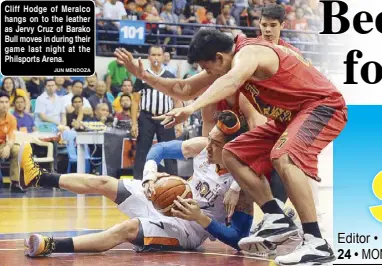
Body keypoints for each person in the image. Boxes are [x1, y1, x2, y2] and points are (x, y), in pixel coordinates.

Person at [114, 27, 346, 264]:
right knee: (232, 153)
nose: (206, 73)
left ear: (220, 58)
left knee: (283, 156)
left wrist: (191, 108)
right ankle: (276, 217)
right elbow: (183, 89)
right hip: (289, 117)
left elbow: (231, 80)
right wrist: (144, 76)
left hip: (323, 106)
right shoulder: (227, 61)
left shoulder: (250, 52)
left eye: (207, 68)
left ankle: (316, 242)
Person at [21, 111, 262, 256]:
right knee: (105, 182)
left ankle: (50, 245)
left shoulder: (240, 186)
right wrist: (149, 176)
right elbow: (158, 149)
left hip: (187, 230)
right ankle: (38, 176)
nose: (208, 147)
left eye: (216, 144)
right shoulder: (202, 148)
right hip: (164, 201)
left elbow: (238, 240)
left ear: (232, 148)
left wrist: (200, 217)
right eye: (209, 140)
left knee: (125, 229)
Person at [131, 45, 182, 180]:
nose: (156, 58)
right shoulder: (142, 76)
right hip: (146, 116)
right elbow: (135, 101)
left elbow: (177, 100)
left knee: (170, 150)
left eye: (159, 55)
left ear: (163, 57)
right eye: (153, 55)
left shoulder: (170, 76)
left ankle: (174, 181)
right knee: (142, 150)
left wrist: (178, 123)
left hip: (166, 116)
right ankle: (137, 181)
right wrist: (134, 123)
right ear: (148, 57)